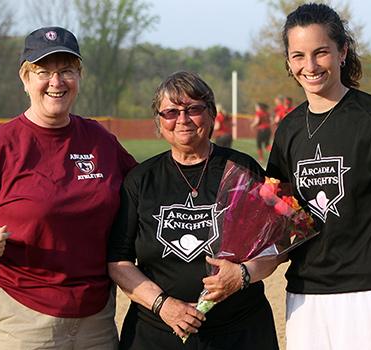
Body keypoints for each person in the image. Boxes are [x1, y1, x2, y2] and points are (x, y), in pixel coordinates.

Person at [0, 26, 137, 349]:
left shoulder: (101, 142)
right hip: (19, 316)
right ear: (25, 79)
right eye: (43, 71)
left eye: (66, 71)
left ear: (79, 75)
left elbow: (148, 192)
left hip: (95, 319)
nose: (56, 82)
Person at [266, 4, 371, 350]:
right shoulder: (288, 130)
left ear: (343, 51)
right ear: (289, 61)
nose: (309, 66)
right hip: (306, 298)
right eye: (298, 55)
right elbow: (281, 220)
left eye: (320, 52)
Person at [107, 71, 282, 350]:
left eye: (194, 109)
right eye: (171, 112)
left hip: (239, 332)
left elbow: (274, 247)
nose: (183, 119)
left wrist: (243, 275)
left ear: (211, 114)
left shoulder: (242, 169)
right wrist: (163, 305)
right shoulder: (140, 180)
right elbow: (118, 261)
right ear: (159, 121)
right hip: (158, 334)